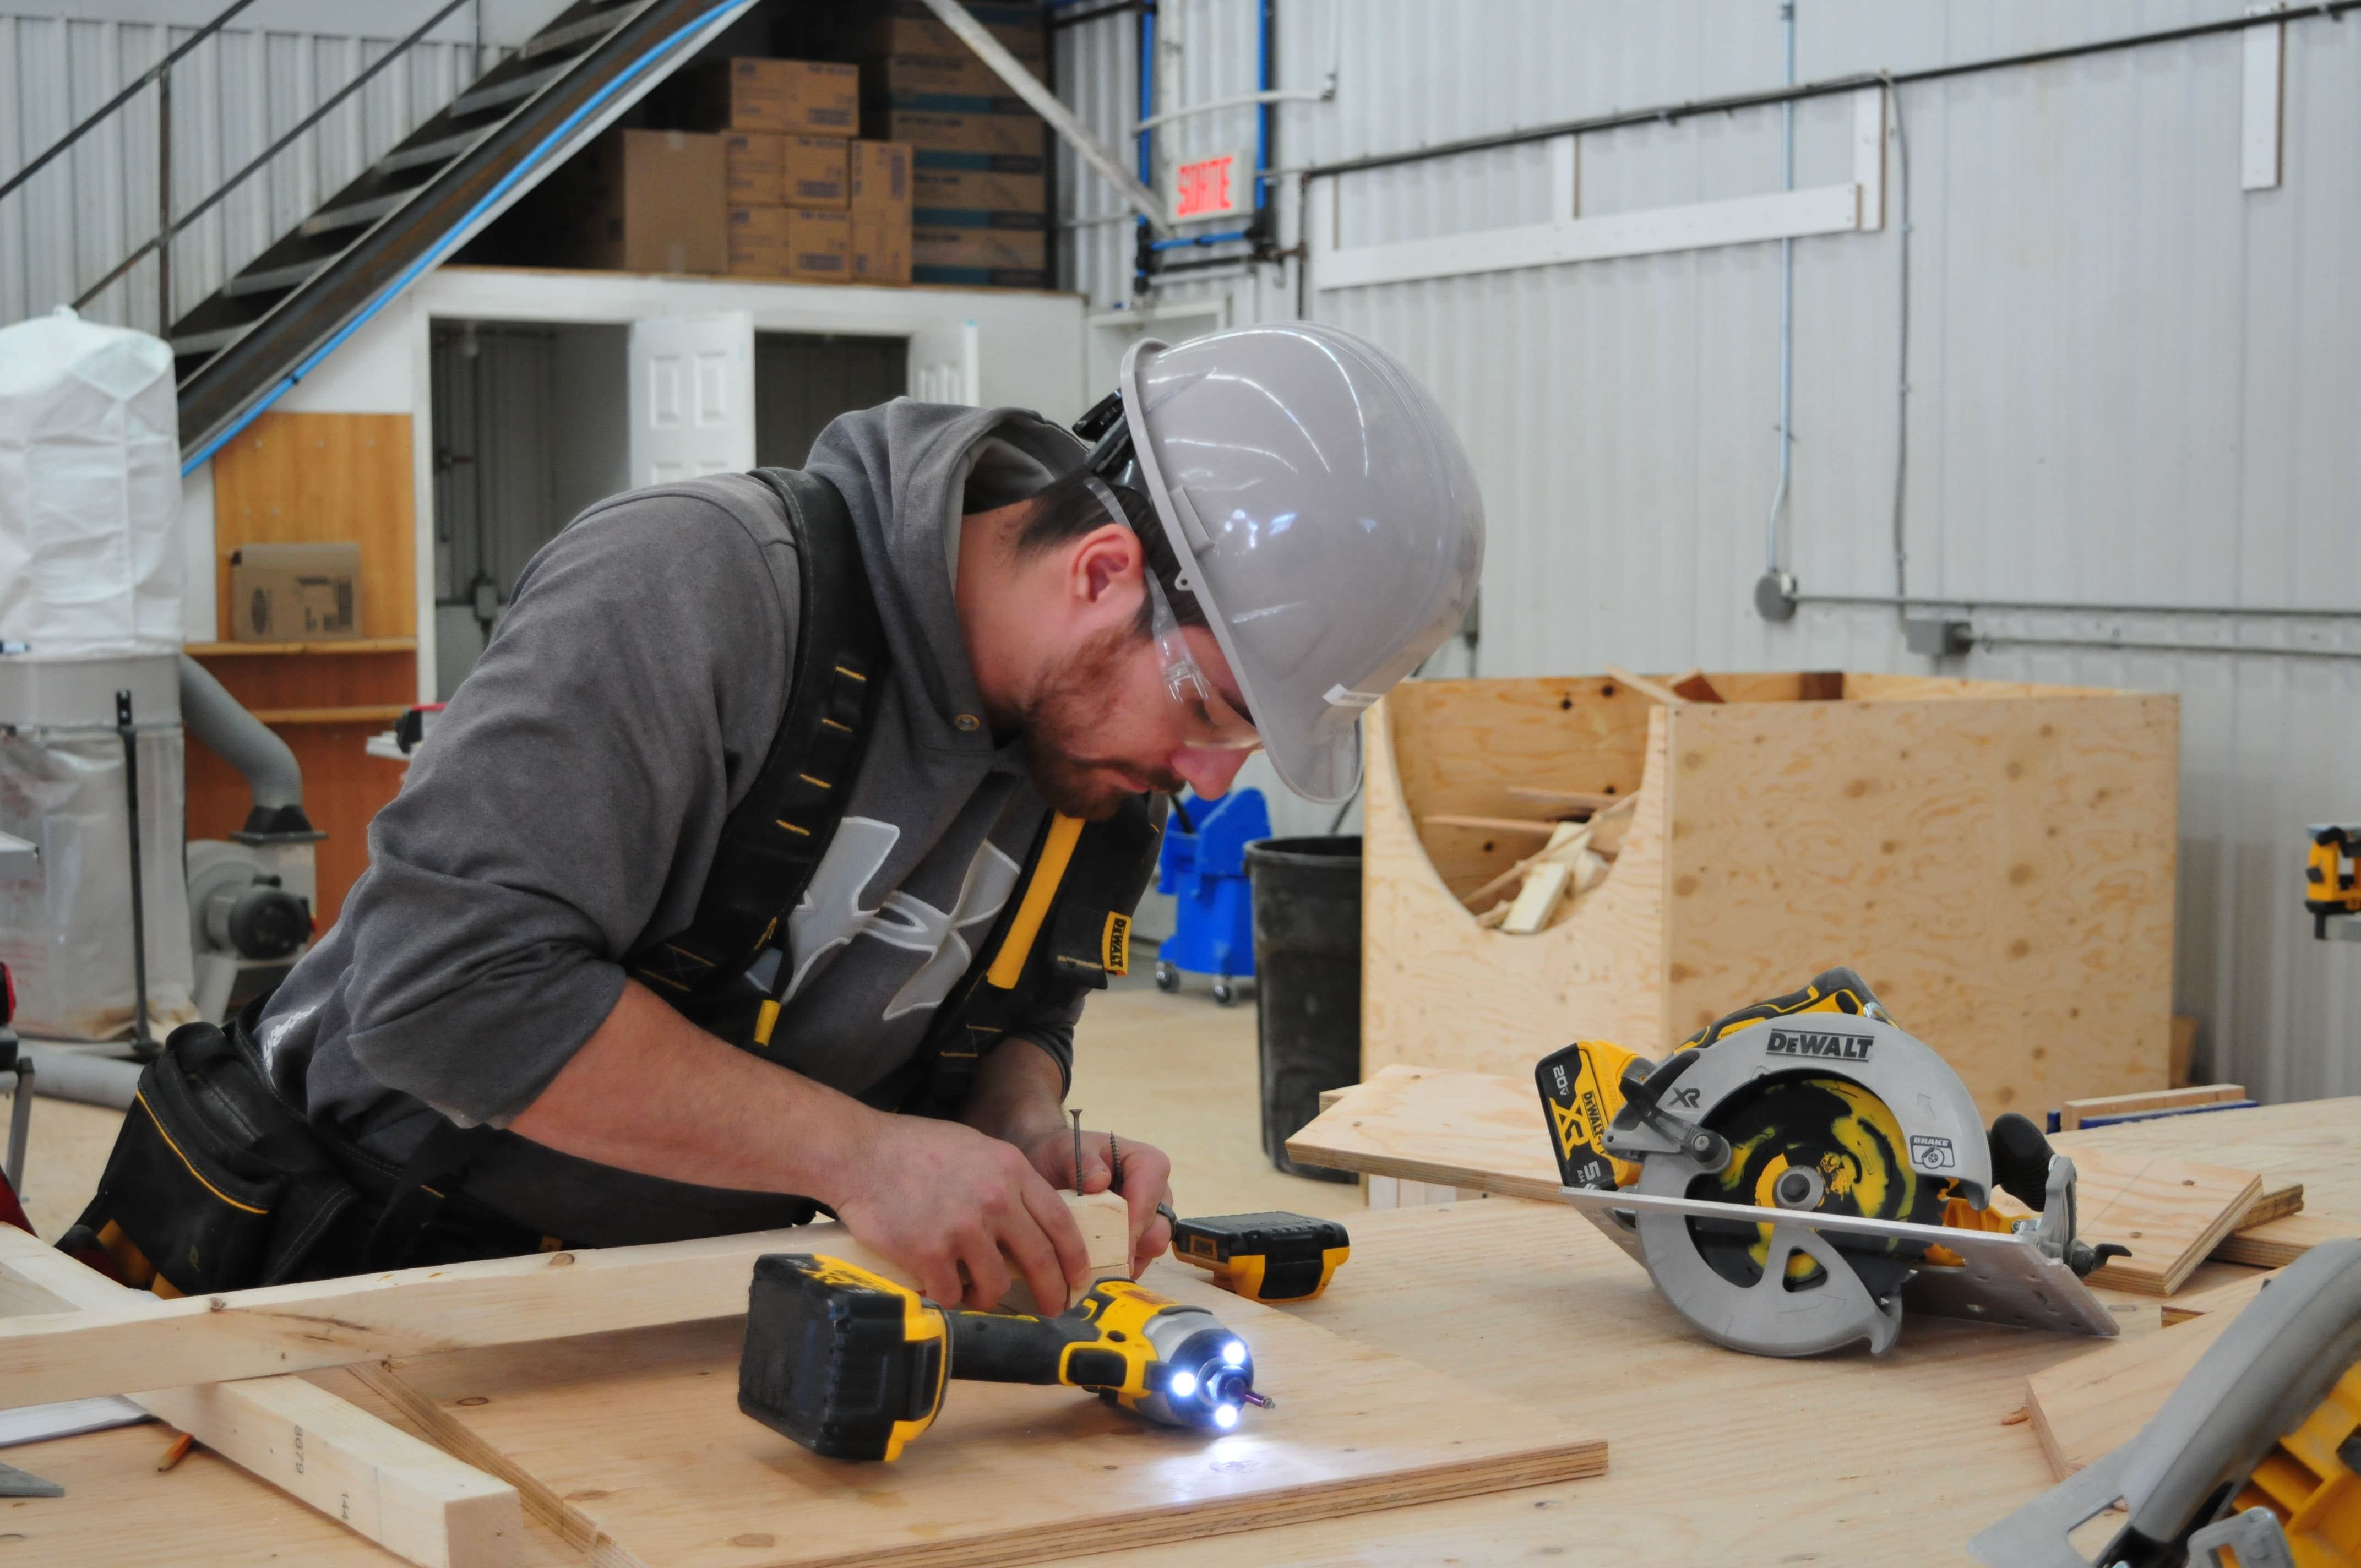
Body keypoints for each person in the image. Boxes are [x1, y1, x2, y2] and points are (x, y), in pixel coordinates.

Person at [68, 323, 1484, 1315]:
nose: (1213, 782)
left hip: (664, 1314)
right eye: (1221, 714)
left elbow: (1019, 1006)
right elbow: (445, 995)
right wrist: (858, 1156)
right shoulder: (700, 590)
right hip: (343, 1263)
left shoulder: (1093, 754)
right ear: (1103, 571)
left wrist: (1020, 1126)